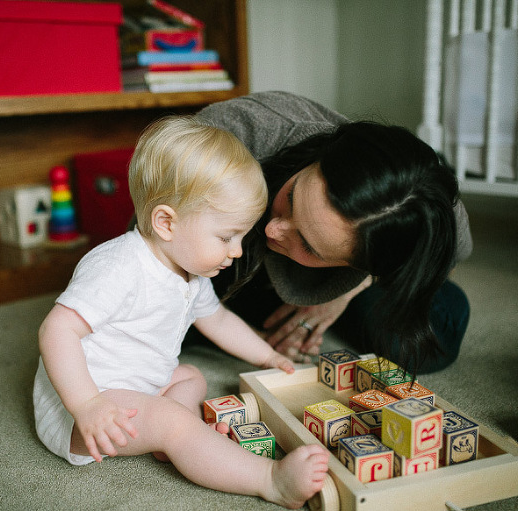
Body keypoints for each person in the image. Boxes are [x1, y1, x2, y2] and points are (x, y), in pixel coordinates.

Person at [33, 115, 330, 509]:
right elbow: (56, 330)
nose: (237, 251)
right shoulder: (118, 266)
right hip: (85, 410)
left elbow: (218, 320)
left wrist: (266, 354)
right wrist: (87, 405)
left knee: (191, 375)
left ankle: (174, 432)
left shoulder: (190, 273)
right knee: (173, 423)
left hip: (136, 385)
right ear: (166, 223)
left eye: (242, 236)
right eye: (226, 236)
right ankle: (270, 480)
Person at [192, 91, 473, 375]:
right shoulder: (233, 132)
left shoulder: (435, 218)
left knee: (427, 338)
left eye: (309, 246)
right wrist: (256, 339)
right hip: (219, 250)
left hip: (336, 273)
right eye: (291, 197)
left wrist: (344, 293)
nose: (272, 229)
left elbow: (446, 262)